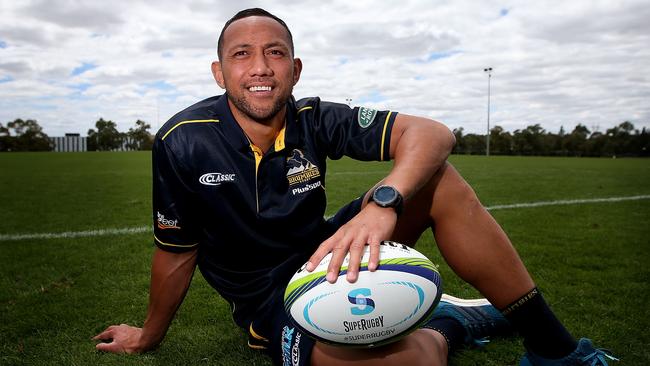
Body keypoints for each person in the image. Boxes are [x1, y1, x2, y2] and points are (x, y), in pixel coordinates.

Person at [94, 8, 617, 366]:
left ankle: (555, 349)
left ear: (294, 69)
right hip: (270, 297)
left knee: (437, 178)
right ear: (218, 72)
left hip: (327, 253)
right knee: (408, 362)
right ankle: (454, 321)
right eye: (242, 55)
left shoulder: (314, 117)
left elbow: (433, 134)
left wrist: (384, 204)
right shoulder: (182, 141)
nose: (260, 68)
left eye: (275, 54)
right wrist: (149, 335)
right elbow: (176, 252)